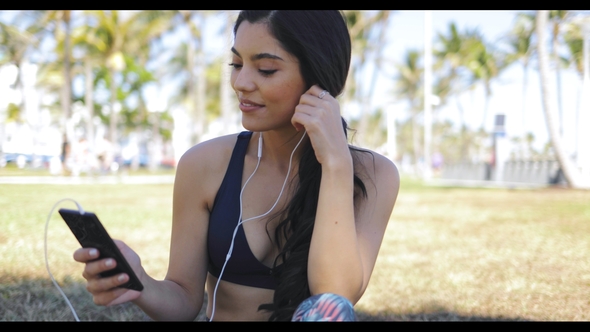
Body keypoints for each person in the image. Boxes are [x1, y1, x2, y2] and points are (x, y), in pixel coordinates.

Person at [73, 10, 399, 321]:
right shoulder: (203, 165)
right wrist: (138, 281)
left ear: (319, 76)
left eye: (266, 69)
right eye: (236, 63)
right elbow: (183, 301)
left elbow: (334, 301)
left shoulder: (373, 176)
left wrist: (335, 164)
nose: (241, 82)